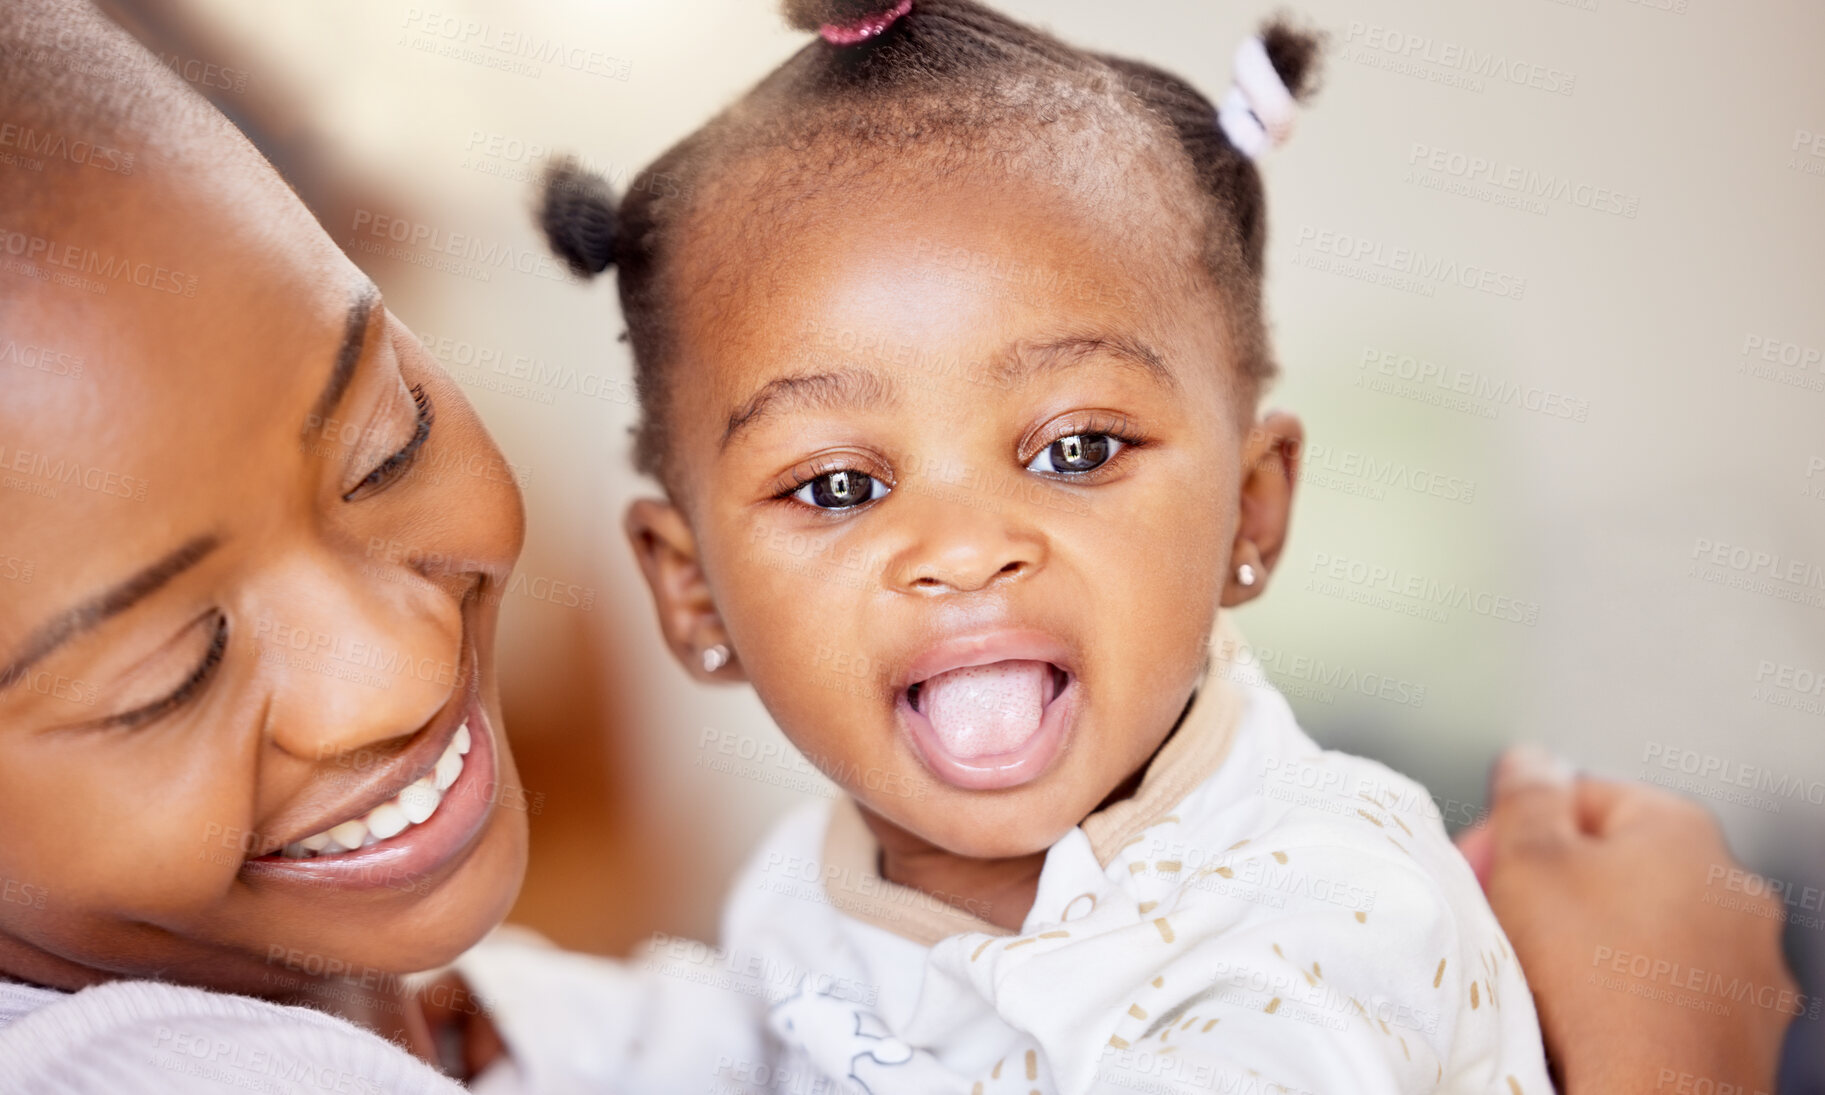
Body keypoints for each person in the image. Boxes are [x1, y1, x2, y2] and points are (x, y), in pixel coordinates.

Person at [0, 0, 1798, 1091]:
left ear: (1255, 509)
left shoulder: (1314, 916)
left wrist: (477, 1020)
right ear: (688, 591)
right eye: (839, 489)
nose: (966, 551)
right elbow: (760, 1047)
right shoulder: (817, 893)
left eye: (1077, 449)